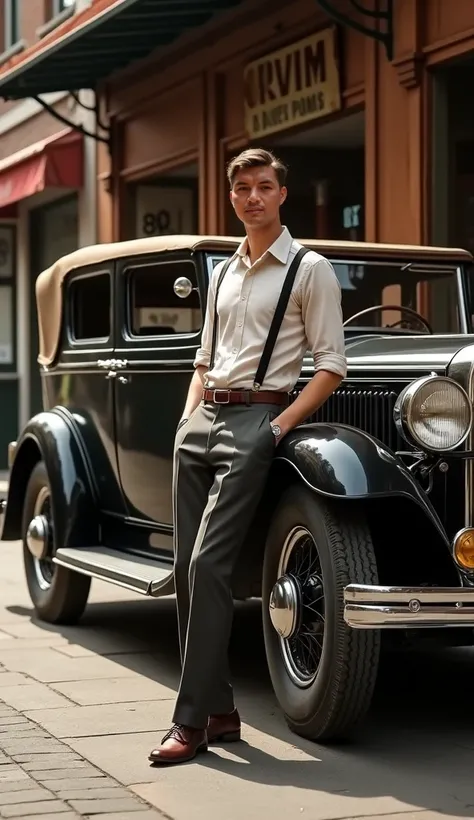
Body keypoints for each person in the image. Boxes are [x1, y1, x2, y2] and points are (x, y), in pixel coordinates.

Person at [148, 147, 347, 765]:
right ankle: (223, 710)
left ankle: (190, 723)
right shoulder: (223, 274)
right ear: (231, 197)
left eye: (264, 186)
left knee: (209, 566)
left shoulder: (309, 268)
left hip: (258, 420)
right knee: (185, 573)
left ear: (281, 194)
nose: (253, 197)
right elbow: (203, 359)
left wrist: (279, 425)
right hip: (202, 421)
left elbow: (331, 365)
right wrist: (188, 417)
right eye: (242, 189)